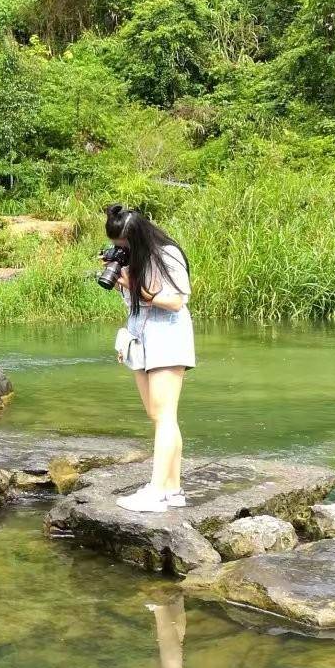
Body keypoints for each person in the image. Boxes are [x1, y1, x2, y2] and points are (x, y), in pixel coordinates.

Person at [105, 203, 195, 513]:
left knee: (165, 414)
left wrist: (137, 287)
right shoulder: (130, 257)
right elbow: (134, 305)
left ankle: (156, 492)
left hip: (168, 335)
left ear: (138, 237)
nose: (120, 250)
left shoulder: (166, 254)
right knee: (158, 415)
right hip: (141, 336)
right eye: (116, 246)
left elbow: (178, 300)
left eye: (123, 245)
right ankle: (172, 489)